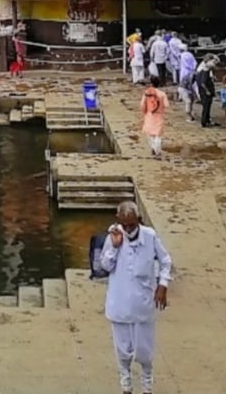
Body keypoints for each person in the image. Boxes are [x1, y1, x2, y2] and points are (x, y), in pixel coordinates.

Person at [100, 200, 172, 394]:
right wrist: (115, 247)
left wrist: (163, 285)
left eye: (132, 225)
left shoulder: (150, 236)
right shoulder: (114, 236)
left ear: (139, 220)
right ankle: (125, 381)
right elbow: (105, 266)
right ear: (119, 221)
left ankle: (147, 381)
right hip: (120, 303)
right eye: (125, 225)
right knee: (122, 349)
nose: (129, 229)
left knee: (144, 350)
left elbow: (165, 261)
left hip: (143, 303)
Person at [140, 75, 168, 159]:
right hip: (159, 115)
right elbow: (166, 105)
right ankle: (157, 151)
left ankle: (154, 148)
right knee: (158, 135)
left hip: (149, 115)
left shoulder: (147, 93)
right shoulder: (162, 94)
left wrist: (144, 111)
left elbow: (142, 105)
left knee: (150, 134)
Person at [196, 54, 218, 128]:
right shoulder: (205, 72)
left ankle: (207, 120)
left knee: (207, 107)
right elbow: (203, 83)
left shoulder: (203, 70)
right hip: (205, 93)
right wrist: (207, 91)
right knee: (206, 107)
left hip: (204, 92)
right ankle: (204, 122)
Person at [178, 46, 197, 121]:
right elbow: (195, 62)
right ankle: (188, 115)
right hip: (189, 73)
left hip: (184, 71)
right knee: (189, 101)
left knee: (190, 101)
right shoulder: (190, 54)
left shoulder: (181, 55)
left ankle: (190, 114)